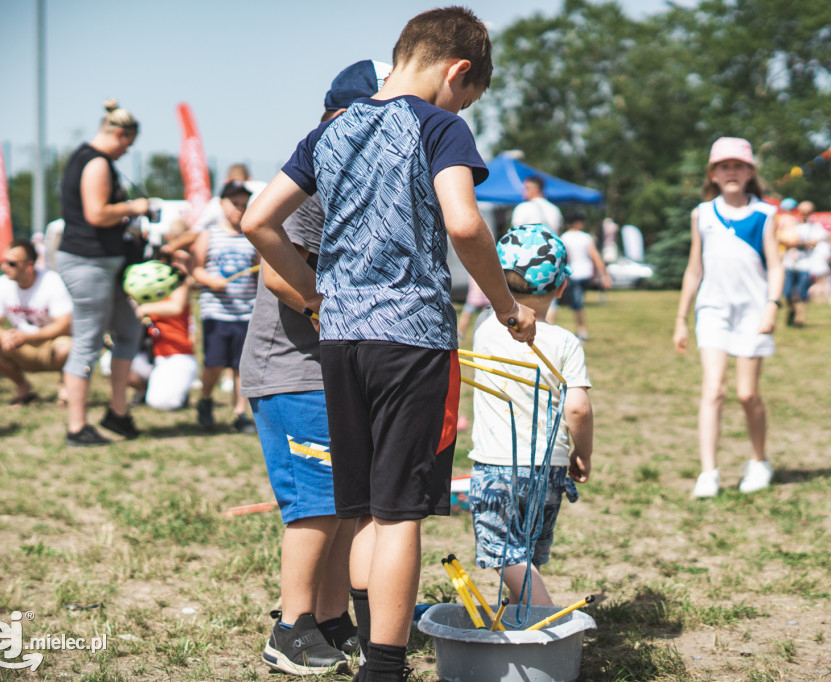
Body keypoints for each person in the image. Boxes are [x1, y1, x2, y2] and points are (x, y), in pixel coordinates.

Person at [242, 8, 536, 680]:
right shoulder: (442, 127)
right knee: (401, 512)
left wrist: (316, 295)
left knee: (363, 506)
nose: (461, 105)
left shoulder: (330, 133)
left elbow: (257, 221)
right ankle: (385, 666)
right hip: (412, 341)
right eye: (467, 93)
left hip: (340, 343)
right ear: (458, 70)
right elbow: (464, 223)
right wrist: (507, 304)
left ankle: (371, 643)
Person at [242, 59, 391, 676]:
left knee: (346, 503)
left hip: (328, 369)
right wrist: (326, 309)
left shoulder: (359, 175)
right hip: (292, 368)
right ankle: (292, 627)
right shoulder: (319, 175)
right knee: (318, 503)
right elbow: (276, 268)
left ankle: (331, 618)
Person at [468, 224, 593, 606]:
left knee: (505, 553)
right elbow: (577, 407)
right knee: (525, 551)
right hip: (549, 469)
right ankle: (524, 613)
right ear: (560, 288)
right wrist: (582, 453)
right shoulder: (566, 342)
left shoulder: (484, 328)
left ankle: (544, 617)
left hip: (496, 466)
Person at [673, 137, 783, 498]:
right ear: (713, 174)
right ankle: (709, 472)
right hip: (713, 310)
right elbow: (694, 269)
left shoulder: (765, 214)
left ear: (750, 172)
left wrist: (772, 304)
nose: (731, 172)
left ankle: (759, 460)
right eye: (724, 166)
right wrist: (681, 318)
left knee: (747, 393)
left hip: (753, 311)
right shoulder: (702, 213)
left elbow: (776, 265)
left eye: (738, 166)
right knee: (713, 389)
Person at [56, 100, 150, 446]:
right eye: (128, 144)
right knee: (88, 341)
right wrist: (135, 207)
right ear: (120, 134)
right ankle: (77, 427)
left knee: (128, 331)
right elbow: (96, 213)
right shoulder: (95, 162)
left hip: (109, 263)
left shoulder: (97, 161)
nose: (127, 151)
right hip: (87, 262)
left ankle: (117, 412)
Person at [191, 179, 258, 433]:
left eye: (244, 204)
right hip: (216, 313)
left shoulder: (251, 236)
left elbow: (258, 268)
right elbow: (196, 268)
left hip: (245, 312)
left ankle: (240, 413)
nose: (239, 209)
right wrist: (209, 280)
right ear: (221, 204)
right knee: (214, 363)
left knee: (241, 365)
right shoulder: (209, 235)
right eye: (234, 203)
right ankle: (206, 400)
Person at [0, 239, 72, 405]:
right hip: (18, 346)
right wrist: (3, 335)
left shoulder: (51, 281)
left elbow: (65, 324)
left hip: (47, 345)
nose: (3, 267)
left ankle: (65, 385)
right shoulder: (1, 284)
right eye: (3, 261)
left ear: (29, 265)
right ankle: (22, 386)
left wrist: (28, 337)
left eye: (11, 263)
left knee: (67, 347)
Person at [129, 251, 198, 411]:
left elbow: (176, 307)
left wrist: (145, 308)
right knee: (110, 361)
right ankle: (147, 388)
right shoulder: (142, 287)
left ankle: (178, 392)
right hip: (152, 355)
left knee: (160, 403)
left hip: (177, 354)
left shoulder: (178, 282)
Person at [547, 211, 611, 341]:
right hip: (585, 274)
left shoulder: (564, 237)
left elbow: (565, 258)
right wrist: (604, 274)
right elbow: (595, 256)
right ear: (578, 223)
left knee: (565, 302)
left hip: (572, 274)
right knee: (577, 303)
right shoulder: (586, 237)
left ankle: (577, 331)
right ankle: (581, 330)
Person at [779, 200, 825, 326]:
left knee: (801, 293)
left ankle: (800, 318)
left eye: (807, 212)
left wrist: (798, 243)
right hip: (790, 264)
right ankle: (792, 310)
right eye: (802, 212)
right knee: (787, 293)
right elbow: (782, 239)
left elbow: (815, 241)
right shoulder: (792, 225)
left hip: (805, 265)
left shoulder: (815, 227)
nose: (804, 214)